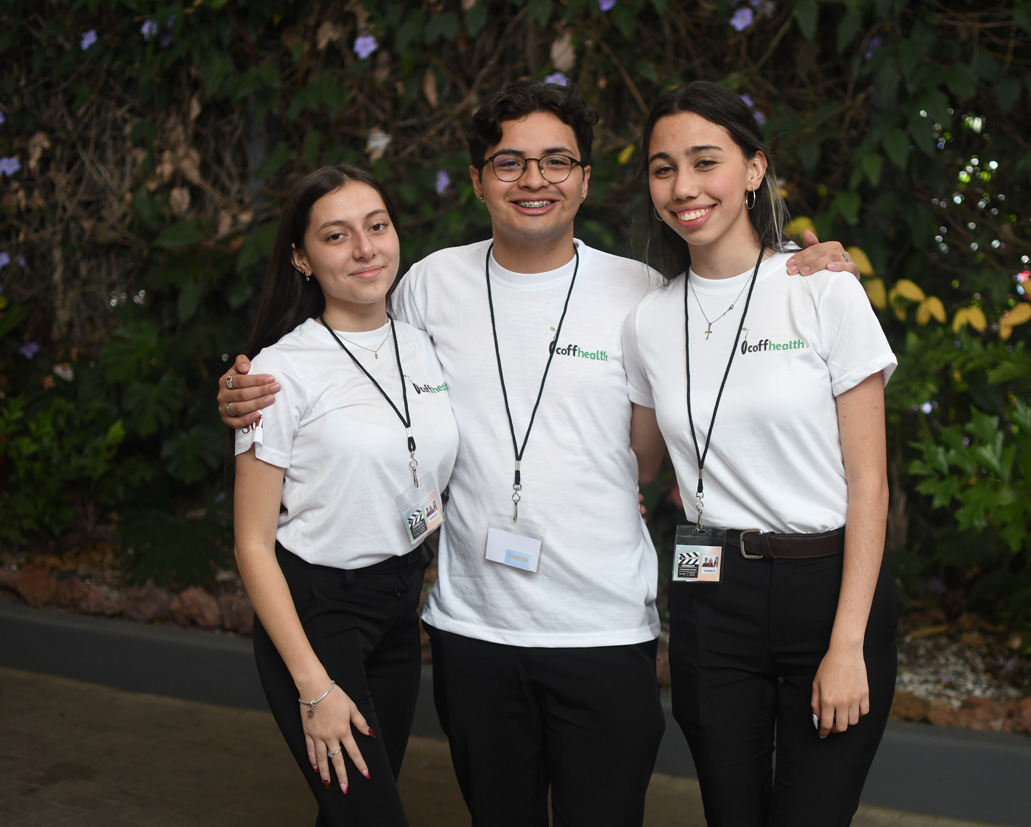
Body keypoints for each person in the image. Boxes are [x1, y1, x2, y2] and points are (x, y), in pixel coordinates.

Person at [218, 80, 857, 826]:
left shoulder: (645, 295)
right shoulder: (427, 285)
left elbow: (704, 380)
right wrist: (244, 389)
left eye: (557, 162)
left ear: (586, 179)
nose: (534, 180)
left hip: (604, 627)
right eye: (510, 162)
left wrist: (801, 268)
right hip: (473, 629)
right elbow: (340, 354)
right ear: (478, 179)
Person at [623, 81, 899, 826]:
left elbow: (870, 483)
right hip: (709, 590)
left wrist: (848, 646)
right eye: (662, 167)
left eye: (705, 161)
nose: (683, 187)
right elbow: (632, 465)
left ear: (753, 169)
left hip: (826, 585)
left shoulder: (820, 290)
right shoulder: (649, 319)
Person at [232, 165, 458, 826]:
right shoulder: (280, 372)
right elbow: (251, 541)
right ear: (302, 257)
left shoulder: (421, 342)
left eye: (377, 225)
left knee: (351, 812)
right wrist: (312, 684)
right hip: (317, 611)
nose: (365, 248)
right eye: (337, 235)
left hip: (397, 598)